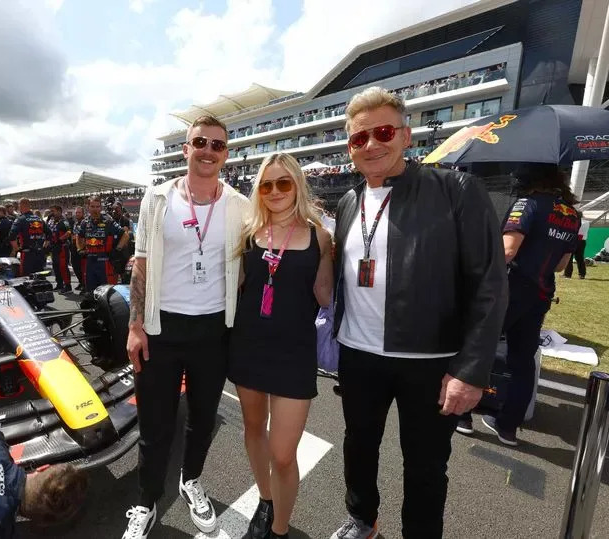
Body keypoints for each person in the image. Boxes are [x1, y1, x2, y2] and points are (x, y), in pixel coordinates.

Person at [329, 87, 507, 539]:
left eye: (383, 132)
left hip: (430, 361)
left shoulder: (456, 190)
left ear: (406, 136)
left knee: (426, 468)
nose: (371, 144)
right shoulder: (349, 203)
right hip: (358, 355)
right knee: (358, 448)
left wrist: (470, 369)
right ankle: (362, 521)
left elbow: (489, 283)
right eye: (358, 138)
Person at [122, 115, 249, 539]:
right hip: (161, 328)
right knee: (155, 423)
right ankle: (145, 500)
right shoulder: (157, 198)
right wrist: (135, 326)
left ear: (226, 153)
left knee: (202, 417)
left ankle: (190, 479)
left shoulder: (239, 205)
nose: (208, 151)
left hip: (214, 330)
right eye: (200, 142)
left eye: (217, 145)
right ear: (186, 149)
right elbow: (140, 263)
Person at [229, 153, 333, 539]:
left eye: (284, 183)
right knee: (254, 429)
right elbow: (234, 287)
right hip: (248, 347)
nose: (275, 191)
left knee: (284, 453)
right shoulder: (247, 234)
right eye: (266, 185)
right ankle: (266, 498)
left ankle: (279, 529)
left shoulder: (320, 235)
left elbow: (324, 296)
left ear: (298, 186)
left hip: (294, 354)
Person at [460, 164, 579, 446]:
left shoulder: (528, 203)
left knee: (477, 347)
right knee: (522, 360)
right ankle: (508, 426)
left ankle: (461, 416)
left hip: (508, 289)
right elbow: (561, 265)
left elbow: (508, 250)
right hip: (540, 294)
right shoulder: (573, 215)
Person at [76, 195, 128, 293]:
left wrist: (117, 250)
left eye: (97, 206)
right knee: (91, 292)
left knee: (107, 293)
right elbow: (78, 236)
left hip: (105, 262)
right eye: (92, 206)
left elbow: (125, 235)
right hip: (90, 261)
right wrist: (79, 249)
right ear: (88, 207)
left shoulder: (108, 221)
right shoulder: (85, 222)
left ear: (100, 207)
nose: (95, 209)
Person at [8, 198, 47, 276]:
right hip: (40, 252)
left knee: (26, 277)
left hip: (27, 253)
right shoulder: (39, 219)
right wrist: (44, 246)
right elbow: (49, 234)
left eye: (19, 205)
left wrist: (16, 249)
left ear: (21, 206)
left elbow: (11, 235)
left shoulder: (20, 219)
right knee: (40, 276)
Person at [46, 205, 72, 292]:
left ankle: (68, 286)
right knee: (55, 266)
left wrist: (61, 238)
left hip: (62, 247)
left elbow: (69, 231)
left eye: (53, 211)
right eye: (51, 211)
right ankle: (59, 284)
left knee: (63, 267)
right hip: (54, 248)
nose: (52, 213)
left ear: (59, 211)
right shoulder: (51, 221)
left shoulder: (64, 221)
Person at [563, 210, 589, 279]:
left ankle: (567, 274)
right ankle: (582, 274)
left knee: (569, 258)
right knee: (580, 258)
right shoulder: (587, 222)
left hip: (574, 240)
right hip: (582, 241)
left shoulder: (575, 221)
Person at [69, 206, 85, 291]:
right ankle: (80, 282)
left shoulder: (84, 222)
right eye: (76, 212)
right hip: (74, 247)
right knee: (75, 266)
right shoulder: (75, 223)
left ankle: (84, 284)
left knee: (81, 267)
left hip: (81, 248)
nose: (77, 214)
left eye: (79, 212)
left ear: (83, 213)